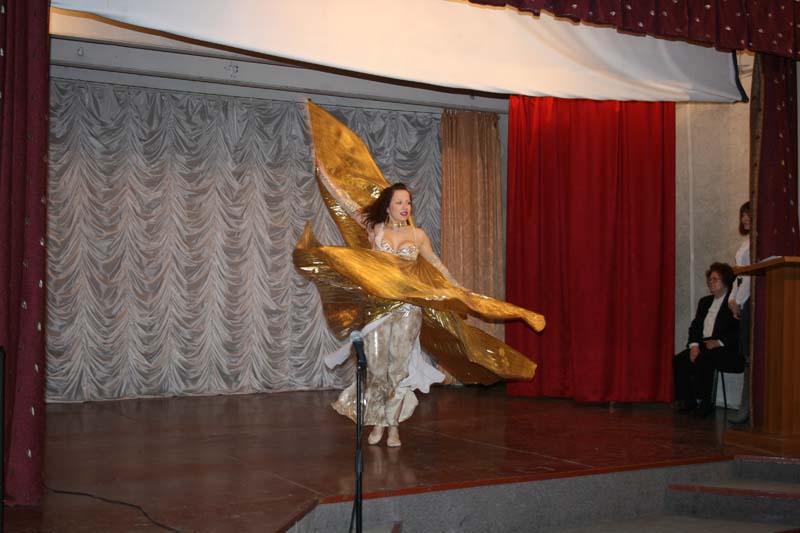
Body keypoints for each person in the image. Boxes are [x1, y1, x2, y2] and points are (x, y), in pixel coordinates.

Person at [330, 182, 459, 447]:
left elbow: (436, 264)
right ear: (388, 206)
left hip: (407, 308)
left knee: (397, 370)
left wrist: (458, 288)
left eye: (408, 202)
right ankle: (379, 420)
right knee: (377, 368)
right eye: (399, 202)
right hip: (379, 307)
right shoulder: (376, 230)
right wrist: (325, 175)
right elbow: (347, 203)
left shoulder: (417, 235)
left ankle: (392, 426)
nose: (405, 207)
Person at [673, 263, 744, 418]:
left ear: (726, 281)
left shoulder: (733, 303)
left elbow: (738, 330)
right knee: (679, 360)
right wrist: (694, 345)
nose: (710, 282)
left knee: (704, 359)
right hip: (703, 344)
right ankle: (687, 400)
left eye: (715, 279)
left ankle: (705, 403)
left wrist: (719, 342)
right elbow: (695, 326)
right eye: (709, 280)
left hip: (726, 348)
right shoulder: (704, 302)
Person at [728, 201, 752, 424]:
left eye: (748, 214)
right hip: (742, 301)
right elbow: (740, 276)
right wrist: (732, 300)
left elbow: (752, 278)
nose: (744, 219)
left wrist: (740, 301)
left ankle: (747, 407)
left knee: (749, 356)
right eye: (742, 215)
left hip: (749, 302)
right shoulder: (746, 243)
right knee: (746, 354)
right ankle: (745, 407)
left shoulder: (759, 244)